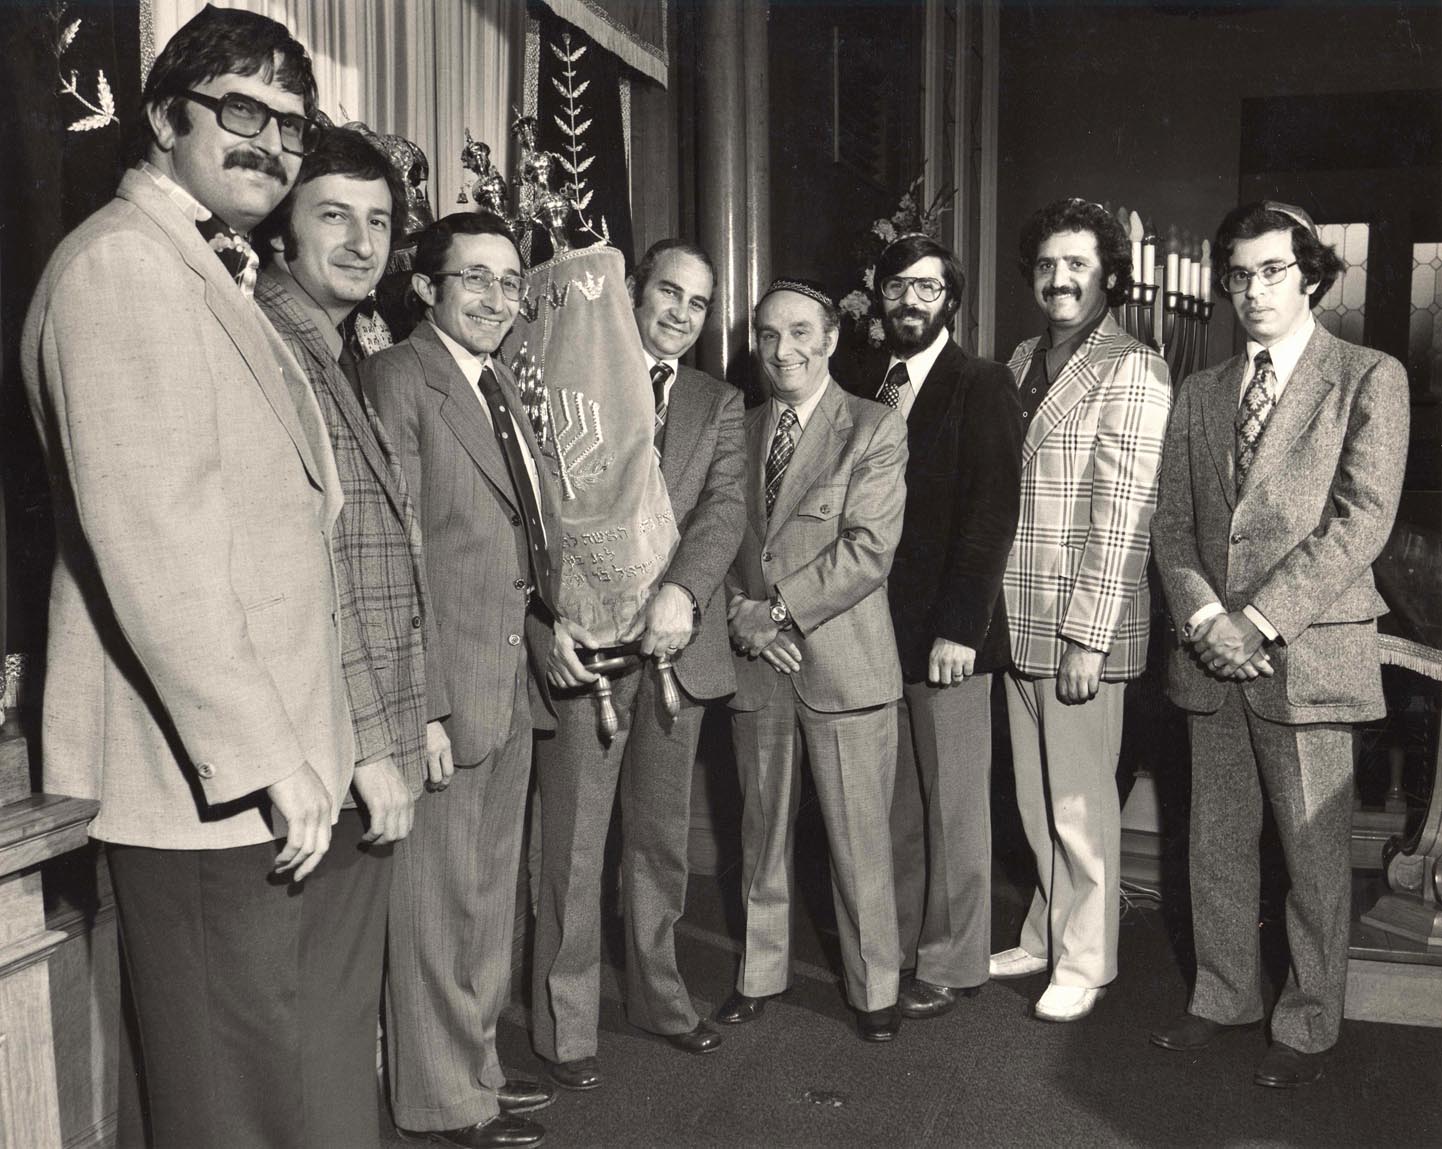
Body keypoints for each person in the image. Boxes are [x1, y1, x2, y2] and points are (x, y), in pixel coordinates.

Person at [20, 9, 361, 1146]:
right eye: (242, 110)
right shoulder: (123, 267)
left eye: (292, 125)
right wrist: (268, 755)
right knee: (230, 1103)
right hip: (199, 779)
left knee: (237, 1084)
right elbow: (157, 549)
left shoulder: (199, 266)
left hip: (232, 771)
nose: (270, 142)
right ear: (166, 116)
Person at [1149, 201, 1408, 1088]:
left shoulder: (1368, 376)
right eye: (1238, 274)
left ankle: (1307, 1022)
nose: (1253, 289)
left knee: (1311, 852)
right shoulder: (1201, 390)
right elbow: (1171, 526)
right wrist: (1204, 621)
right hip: (1211, 656)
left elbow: (1361, 522)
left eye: (1272, 270)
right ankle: (1223, 995)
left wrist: (1254, 621)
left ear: (1311, 277)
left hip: (1306, 653)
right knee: (1215, 842)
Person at [253, 125, 457, 1144]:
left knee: (332, 1017)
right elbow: (315, 572)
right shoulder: (273, 347)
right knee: (308, 1021)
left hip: (357, 733)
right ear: (281, 227)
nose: (361, 241)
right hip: (324, 746)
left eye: (377, 221)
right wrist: (376, 743)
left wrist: (409, 719)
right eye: (333, 215)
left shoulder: (330, 349)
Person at [362, 212, 558, 1149]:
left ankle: (477, 1065)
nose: (495, 296)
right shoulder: (400, 377)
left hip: (506, 679)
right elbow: (396, 554)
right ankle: (442, 1099)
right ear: (426, 287)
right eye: (474, 277)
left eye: (509, 281)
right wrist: (426, 706)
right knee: (437, 905)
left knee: (483, 897)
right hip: (446, 692)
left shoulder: (495, 384)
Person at [531, 240, 746, 1087]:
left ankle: (660, 999)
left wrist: (683, 593)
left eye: (698, 303)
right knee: (575, 845)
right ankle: (567, 1027)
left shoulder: (717, 401)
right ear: (632, 291)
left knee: (658, 842)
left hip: (671, 654)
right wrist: (552, 614)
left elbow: (724, 509)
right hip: (587, 650)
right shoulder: (572, 374)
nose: (681, 314)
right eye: (668, 293)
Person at [718, 278, 909, 1043]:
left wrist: (774, 610)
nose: (783, 348)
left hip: (845, 668)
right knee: (760, 832)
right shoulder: (739, 426)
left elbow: (869, 549)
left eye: (800, 331)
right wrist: (740, 613)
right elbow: (714, 535)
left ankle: (875, 988)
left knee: (859, 843)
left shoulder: (873, 425)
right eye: (768, 334)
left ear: (830, 338)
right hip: (758, 662)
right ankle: (760, 973)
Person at [995, 198, 1172, 1023]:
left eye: (1077, 263)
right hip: (1014, 615)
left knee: (1079, 802)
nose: (1058, 278)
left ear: (1108, 276)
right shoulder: (1023, 356)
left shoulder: (1134, 367)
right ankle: (1048, 930)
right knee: (1036, 798)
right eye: (1046, 264)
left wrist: (1088, 638)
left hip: (1078, 626)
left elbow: (1126, 514)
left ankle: (1090, 958)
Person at [865, 233, 1023, 1020]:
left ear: (950, 300)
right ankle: (894, 949)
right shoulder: (863, 381)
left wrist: (962, 628)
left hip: (949, 639)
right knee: (894, 807)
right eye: (897, 286)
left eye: (927, 287)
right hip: (871, 636)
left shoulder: (982, 382)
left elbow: (993, 513)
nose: (910, 300)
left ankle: (953, 962)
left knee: (954, 807)